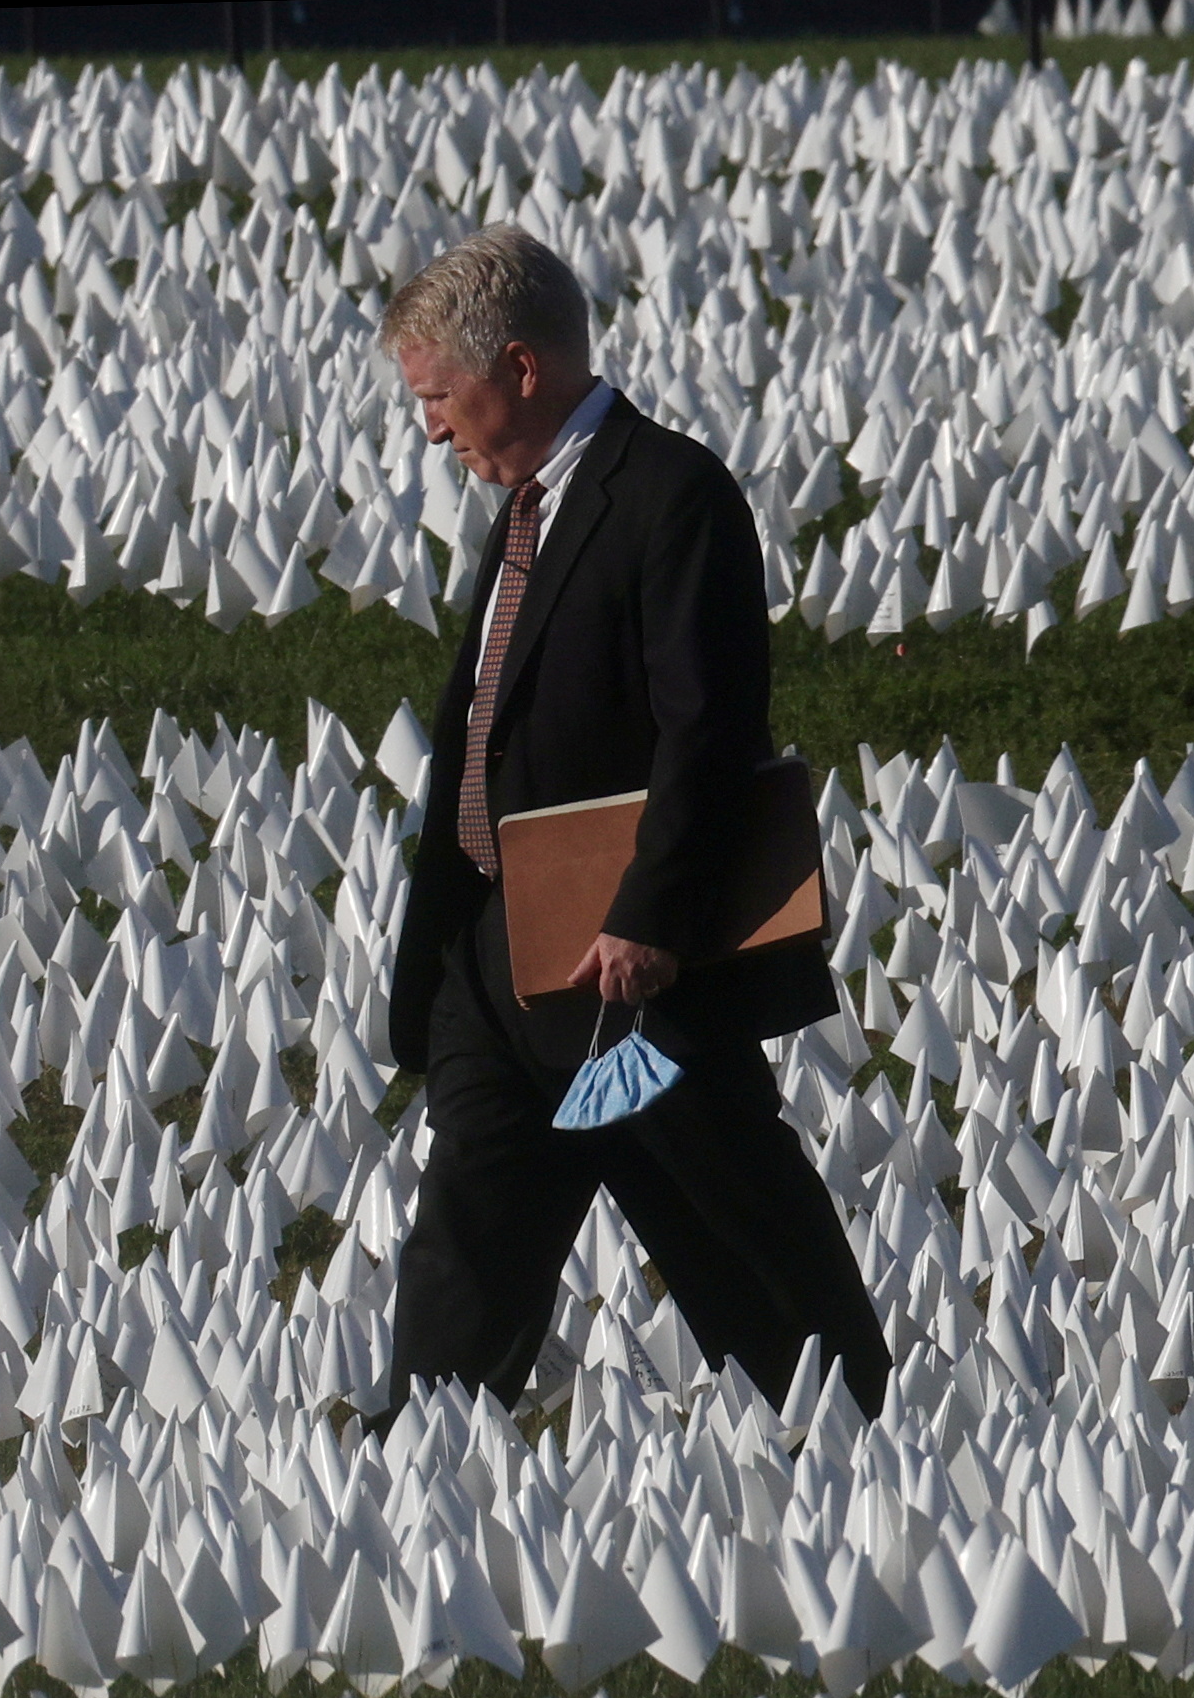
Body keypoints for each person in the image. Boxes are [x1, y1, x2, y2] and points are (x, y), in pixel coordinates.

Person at [371, 225, 891, 1420]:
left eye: (440, 398)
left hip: (623, 967)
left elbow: (706, 727)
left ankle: (861, 1440)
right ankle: (412, 1475)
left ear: (518, 369)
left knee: (736, 1226)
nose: (432, 429)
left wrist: (646, 919)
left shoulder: (669, 493)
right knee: (465, 1247)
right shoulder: (529, 509)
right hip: (500, 960)